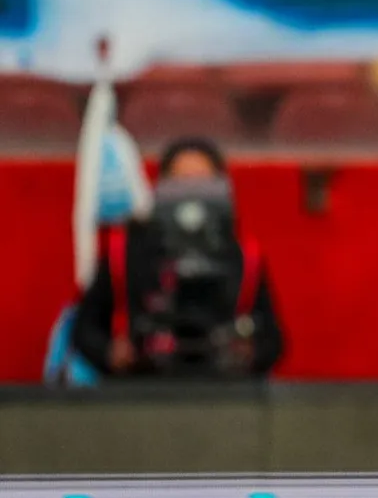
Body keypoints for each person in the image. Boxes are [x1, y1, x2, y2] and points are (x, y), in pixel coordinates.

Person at [72, 137, 284, 379]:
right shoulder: (126, 252)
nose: (191, 196)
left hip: (222, 394)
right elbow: (84, 329)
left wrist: (247, 354)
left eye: (202, 184)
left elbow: (273, 341)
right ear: (162, 188)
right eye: (181, 183)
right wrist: (112, 353)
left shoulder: (243, 257)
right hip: (141, 392)